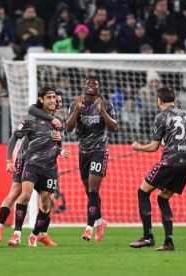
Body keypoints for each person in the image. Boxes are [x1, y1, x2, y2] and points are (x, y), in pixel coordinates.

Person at [0, 93, 64, 244]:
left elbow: (56, 145)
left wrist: (60, 143)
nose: (57, 103)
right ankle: (0, 226)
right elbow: (29, 112)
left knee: (48, 200)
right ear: (43, 100)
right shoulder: (33, 115)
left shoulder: (58, 121)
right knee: (17, 193)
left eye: (58, 101)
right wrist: (7, 160)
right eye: (53, 99)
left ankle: (42, 233)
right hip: (25, 159)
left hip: (45, 164)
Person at [129, 87, 186, 251]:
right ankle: (169, 242)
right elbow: (180, 138)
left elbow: (153, 147)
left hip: (170, 161)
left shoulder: (161, 116)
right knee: (163, 198)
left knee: (142, 191)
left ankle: (148, 236)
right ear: (174, 99)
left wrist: (138, 147)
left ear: (159, 100)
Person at [66, 76, 118, 241]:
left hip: (99, 150)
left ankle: (89, 228)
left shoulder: (106, 104)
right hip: (83, 151)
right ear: (83, 86)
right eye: (88, 83)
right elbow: (68, 128)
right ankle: (100, 222)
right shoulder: (76, 104)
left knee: (94, 189)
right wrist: (76, 110)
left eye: (95, 84)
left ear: (99, 88)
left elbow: (114, 127)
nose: (91, 86)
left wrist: (102, 111)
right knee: (90, 192)